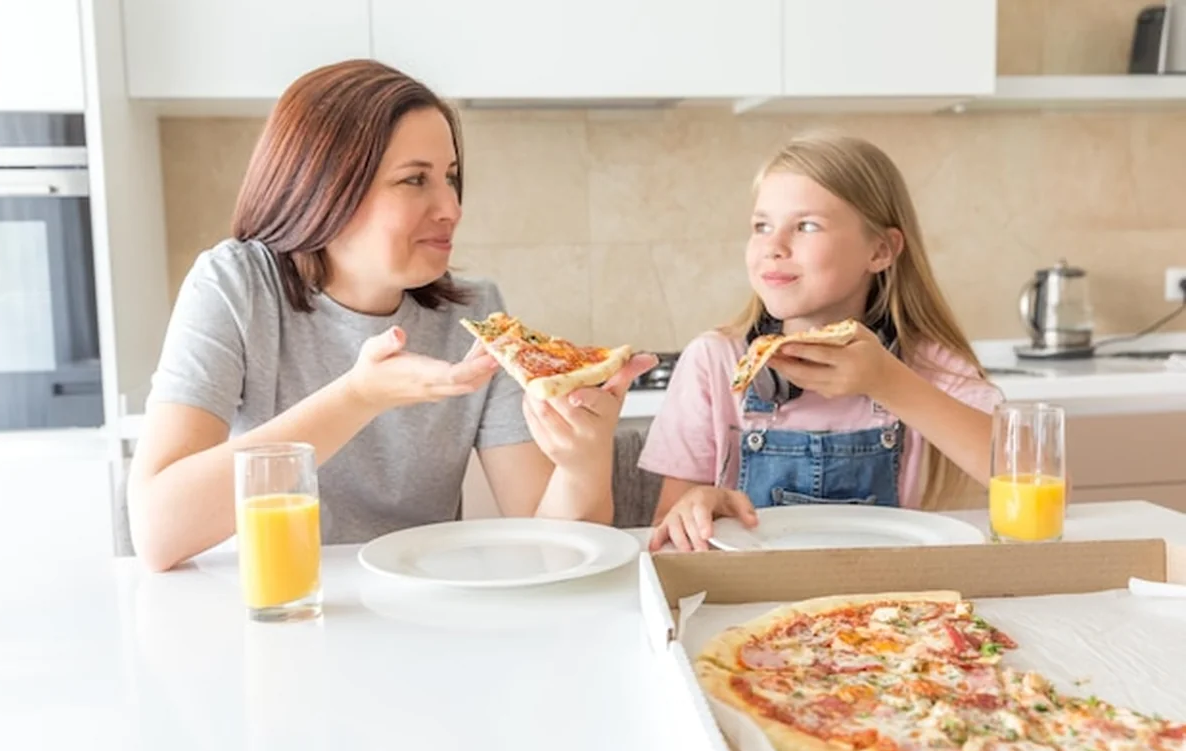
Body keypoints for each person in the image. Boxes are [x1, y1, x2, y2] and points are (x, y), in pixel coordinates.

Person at [127, 59, 654, 571]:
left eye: (450, 177)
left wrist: (582, 463)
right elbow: (157, 532)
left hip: (426, 618)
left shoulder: (474, 316)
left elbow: (553, 549)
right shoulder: (237, 286)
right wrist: (359, 397)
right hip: (280, 612)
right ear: (327, 186)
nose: (451, 207)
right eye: (413, 180)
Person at [641, 131, 1001, 552]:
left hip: (889, 600)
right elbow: (668, 528)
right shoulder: (715, 361)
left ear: (881, 251)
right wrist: (700, 503)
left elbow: (1037, 479)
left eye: (807, 225)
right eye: (761, 226)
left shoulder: (923, 362)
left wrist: (889, 382)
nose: (773, 246)